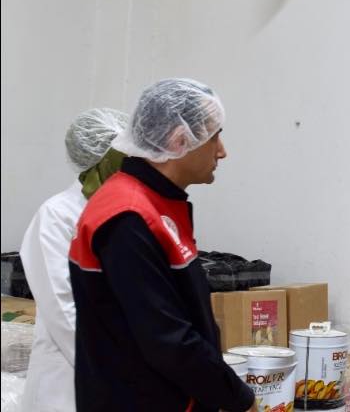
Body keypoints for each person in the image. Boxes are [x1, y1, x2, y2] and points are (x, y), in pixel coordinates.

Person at [68, 78, 255, 411]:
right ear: (179, 139)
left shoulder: (156, 204)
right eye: (215, 137)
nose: (222, 151)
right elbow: (167, 338)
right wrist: (238, 398)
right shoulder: (129, 217)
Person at [19, 107, 128, 411]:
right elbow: (62, 309)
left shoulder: (125, 213)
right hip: (66, 384)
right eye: (123, 157)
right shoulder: (57, 216)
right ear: (100, 160)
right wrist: (112, 370)